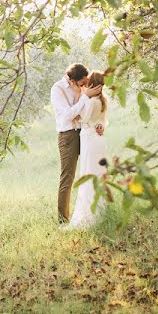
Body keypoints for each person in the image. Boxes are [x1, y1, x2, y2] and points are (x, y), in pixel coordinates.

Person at [50, 64, 104, 223]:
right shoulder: (58, 89)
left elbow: (90, 110)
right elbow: (67, 114)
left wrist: (99, 125)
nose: (84, 85)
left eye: (85, 82)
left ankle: (93, 213)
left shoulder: (83, 87)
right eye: (82, 83)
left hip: (86, 133)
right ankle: (63, 221)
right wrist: (85, 96)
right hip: (68, 136)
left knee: (92, 171)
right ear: (72, 81)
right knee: (68, 177)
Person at [67, 70, 109, 228]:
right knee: (98, 173)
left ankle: (88, 216)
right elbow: (104, 121)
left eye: (87, 82)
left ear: (92, 84)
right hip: (99, 140)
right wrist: (100, 125)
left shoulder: (91, 102)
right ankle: (100, 211)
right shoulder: (104, 101)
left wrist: (77, 116)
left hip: (89, 138)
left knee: (88, 172)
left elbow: (84, 119)